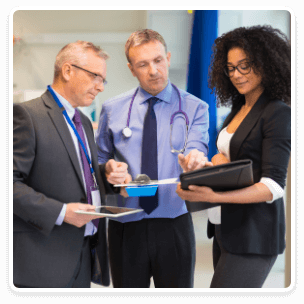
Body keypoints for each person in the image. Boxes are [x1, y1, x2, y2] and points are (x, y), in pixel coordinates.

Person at [176, 25, 291, 288]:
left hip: (255, 235)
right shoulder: (240, 107)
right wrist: (205, 165)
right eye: (230, 68)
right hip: (225, 229)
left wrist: (213, 196)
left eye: (245, 65)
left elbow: (273, 186)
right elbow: (227, 158)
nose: (236, 75)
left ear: (265, 63)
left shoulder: (277, 112)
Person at [95, 29, 210, 288]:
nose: (153, 70)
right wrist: (109, 169)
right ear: (131, 68)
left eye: (158, 60)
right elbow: (99, 158)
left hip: (174, 222)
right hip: (126, 222)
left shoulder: (195, 107)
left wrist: (194, 158)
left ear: (168, 58)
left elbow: (197, 146)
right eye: (142, 64)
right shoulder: (112, 109)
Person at [13, 41, 130, 288]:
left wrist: (106, 174)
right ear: (67, 71)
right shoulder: (28, 116)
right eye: (95, 76)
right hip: (43, 257)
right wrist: (62, 212)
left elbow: (78, 174)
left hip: (84, 253)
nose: (100, 87)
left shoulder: (84, 122)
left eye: (103, 80)